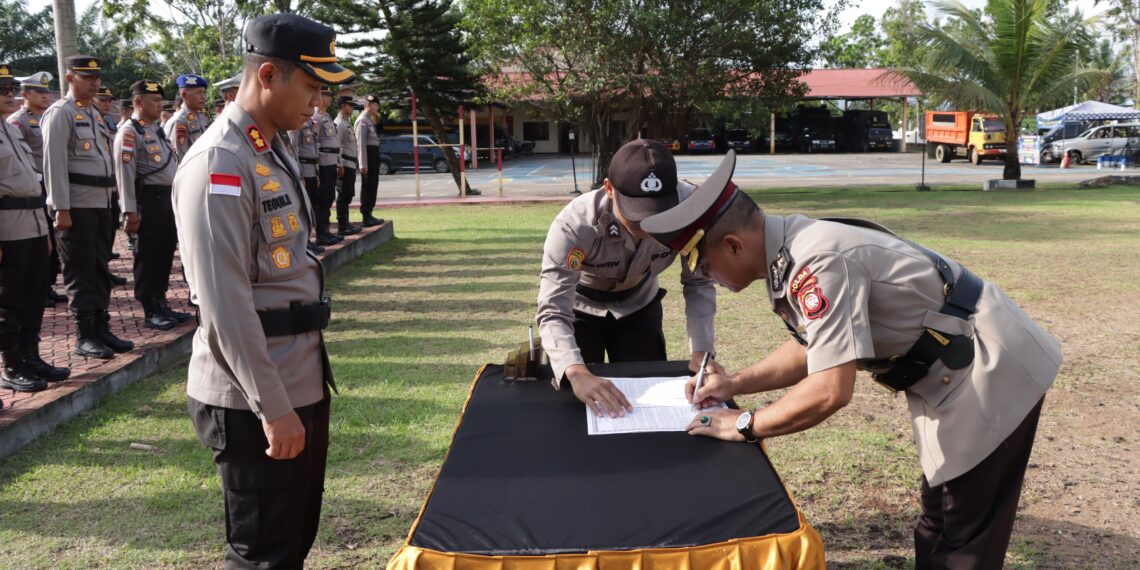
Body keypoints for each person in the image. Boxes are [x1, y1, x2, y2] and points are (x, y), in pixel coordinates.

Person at [641, 150, 1062, 569]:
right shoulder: (792, 250)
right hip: (949, 367)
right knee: (938, 519)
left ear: (734, 245)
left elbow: (830, 390)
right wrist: (734, 385)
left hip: (988, 364)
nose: (705, 277)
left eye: (704, 265)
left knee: (967, 536)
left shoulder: (816, 263)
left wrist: (746, 424)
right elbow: (817, 346)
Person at [173, 13, 353, 568]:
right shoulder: (220, 162)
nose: (319, 102)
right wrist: (273, 409)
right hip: (254, 395)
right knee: (263, 555)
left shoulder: (268, 146)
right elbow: (225, 307)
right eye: (313, 86)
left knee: (293, 539)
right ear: (269, 74)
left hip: (296, 374)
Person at [535, 139, 716, 418]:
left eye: (660, 215)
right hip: (581, 309)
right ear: (609, 188)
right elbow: (552, 309)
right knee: (574, 409)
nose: (649, 226)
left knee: (649, 402)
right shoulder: (575, 225)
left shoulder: (691, 210)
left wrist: (702, 352)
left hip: (639, 304)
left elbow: (699, 282)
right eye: (637, 215)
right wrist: (575, 370)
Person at [42, 55, 133, 359]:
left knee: (99, 268)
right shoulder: (61, 112)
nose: (95, 83)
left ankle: (101, 327)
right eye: (86, 77)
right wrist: (60, 207)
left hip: (100, 203)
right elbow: (54, 163)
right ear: (70, 79)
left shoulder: (93, 112)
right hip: (76, 205)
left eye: (96, 78)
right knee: (80, 271)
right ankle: (85, 334)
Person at [0, 63, 71, 403]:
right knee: (8, 301)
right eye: (2, 91)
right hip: (7, 227)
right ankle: (12, 366)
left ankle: (31, 356)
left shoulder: (10, 130)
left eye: (10, 89)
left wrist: (44, 229)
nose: (9, 95)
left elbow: (33, 181)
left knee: (33, 295)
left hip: (32, 220)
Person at [114, 79, 189, 331]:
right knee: (148, 256)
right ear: (138, 102)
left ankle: (161, 302)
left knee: (164, 253)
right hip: (148, 200)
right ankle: (149, 308)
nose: (159, 105)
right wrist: (130, 211)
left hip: (166, 201)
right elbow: (125, 174)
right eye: (154, 101)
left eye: (160, 101)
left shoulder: (155, 129)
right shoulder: (129, 131)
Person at [7, 70, 66, 307]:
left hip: (46, 184)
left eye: (45, 91)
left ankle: (47, 285)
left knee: (49, 238)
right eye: (38, 91)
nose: (44, 96)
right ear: (25, 94)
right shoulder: (17, 121)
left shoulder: (46, 118)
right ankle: (40, 289)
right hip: (31, 185)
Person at [288, 100, 332, 248]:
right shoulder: (295, 122)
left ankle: (309, 241)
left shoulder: (310, 122)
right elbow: (293, 148)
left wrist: (317, 172)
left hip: (312, 169)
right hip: (304, 169)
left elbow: (314, 147)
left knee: (311, 205)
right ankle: (304, 244)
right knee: (303, 208)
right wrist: (298, 174)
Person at [313, 86, 342, 244]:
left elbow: (335, 142)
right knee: (323, 198)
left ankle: (326, 230)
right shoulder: (316, 117)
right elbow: (314, 144)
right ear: (320, 96)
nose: (330, 98)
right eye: (327, 95)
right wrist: (317, 168)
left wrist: (338, 162)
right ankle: (321, 234)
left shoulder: (327, 117)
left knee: (330, 196)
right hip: (323, 163)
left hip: (331, 162)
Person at [354, 94, 384, 226]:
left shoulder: (369, 120)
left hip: (373, 156)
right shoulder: (362, 121)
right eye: (375, 105)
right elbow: (360, 144)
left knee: (373, 186)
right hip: (368, 157)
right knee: (367, 187)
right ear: (368, 105)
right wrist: (362, 163)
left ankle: (369, 214)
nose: (377, 107)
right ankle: (366, 216)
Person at [164, 74, 210, 159]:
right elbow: (179, 157)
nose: (203, 97)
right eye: (199, 93)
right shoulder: (179, 121)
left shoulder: (202, 118)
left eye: (204, 93)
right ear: (184, 95)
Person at [333, 95, 361, 236]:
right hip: (344, 162)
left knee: (348, 194)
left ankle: (346, 223)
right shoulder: (339, 124)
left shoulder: (346, 123)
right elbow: (335, 145)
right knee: (343, 195)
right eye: (350, 105)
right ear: (343, 106)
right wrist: (339, 164)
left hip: (350, 162)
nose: (352, 108)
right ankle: (342, 225)